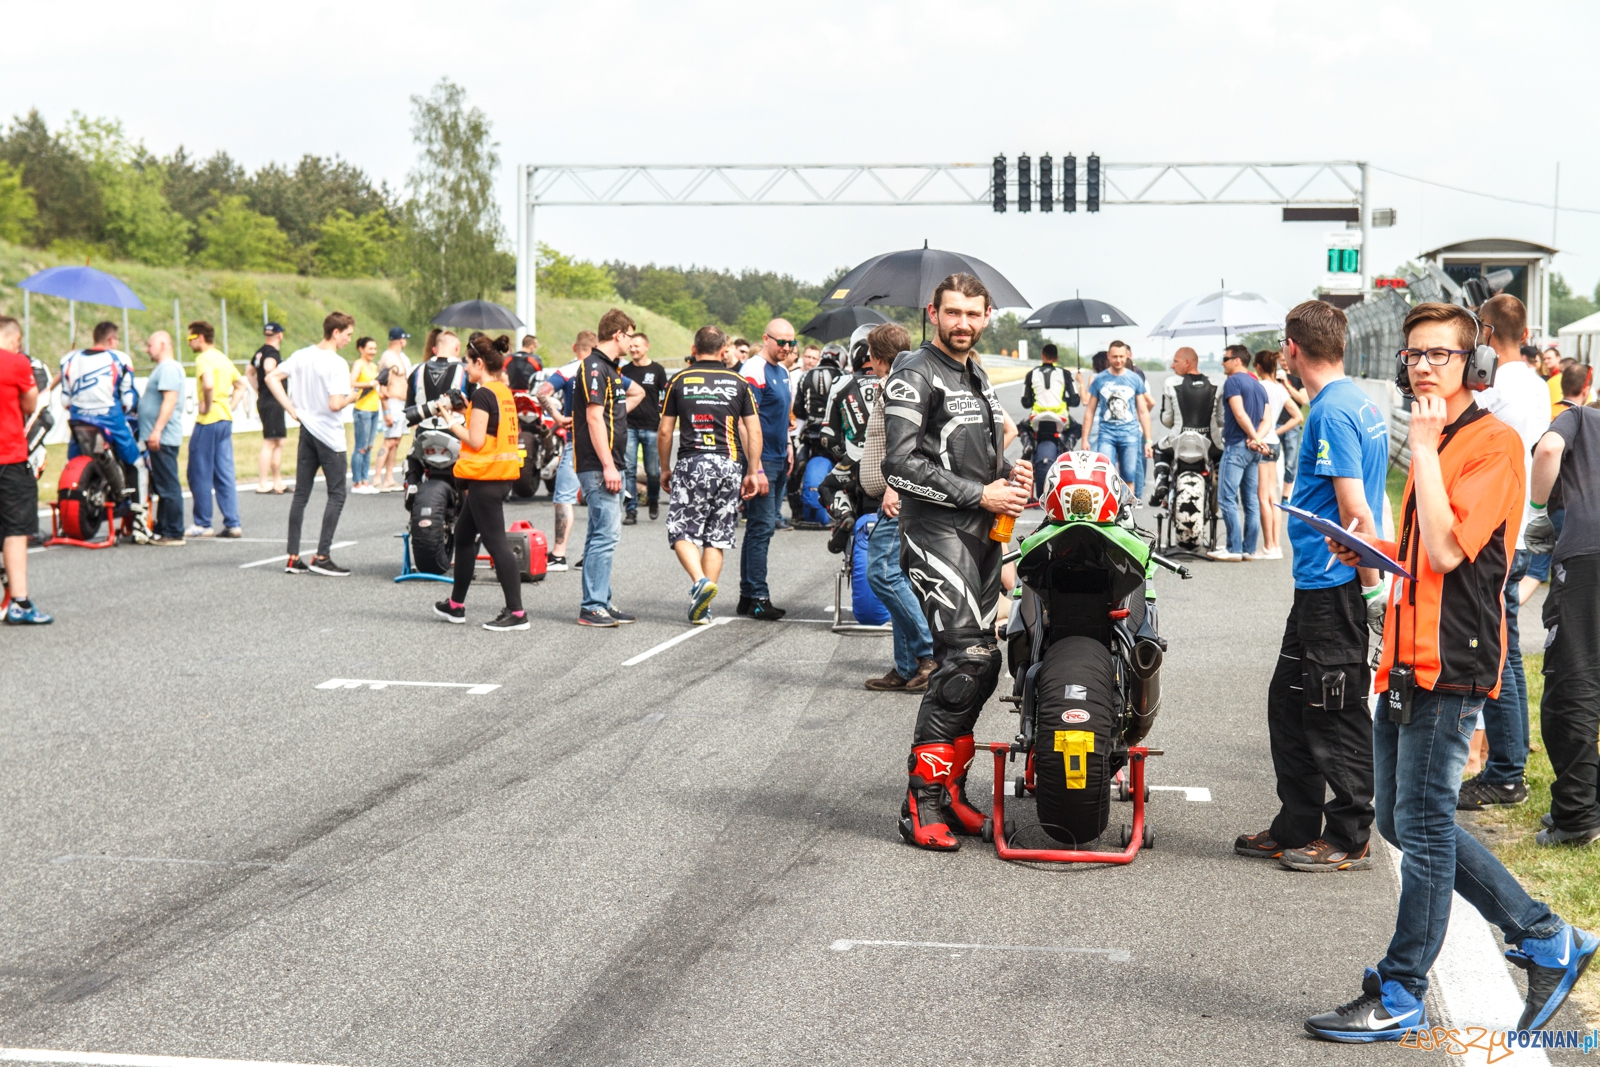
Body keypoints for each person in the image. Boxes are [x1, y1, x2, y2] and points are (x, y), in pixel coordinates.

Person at [1307, 301, 1595, 1042]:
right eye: (1413, 355)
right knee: (1395, 817)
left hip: (1452, 659)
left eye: (1438, 353)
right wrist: (1367, 544)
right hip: (1403, 656)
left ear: (1473, 363)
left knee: (1426, 821)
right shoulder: (1441, 441)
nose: (1423, 365)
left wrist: (1427, 449)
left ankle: (1402, 986)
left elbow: (1445, 550)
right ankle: (1544, 933)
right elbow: (1418, 557)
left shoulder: (1491, 443)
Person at [882, 273, 1032, 851]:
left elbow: (976, 458)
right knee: (964, 661)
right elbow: (898, 464)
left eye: (973, 313)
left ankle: (949, 793)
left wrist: (1008, 476)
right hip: (934, 533)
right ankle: (919, 805)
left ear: (988, 315)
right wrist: (981, 494)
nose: (963, 323)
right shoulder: (914, 370)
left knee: (982, 665)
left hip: (981, 536)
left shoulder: (977, 375)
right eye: (953, 313)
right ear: (933, 313)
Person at [1235, 300, 1386, 872]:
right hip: (1318, 586)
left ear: (1291, 349)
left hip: (1336, 585)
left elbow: (1355, 511)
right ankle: (1296, 823)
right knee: (1289, 703)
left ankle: (1348, 834)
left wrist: (1371, 593)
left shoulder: (1331, 413)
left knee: (1334, 709)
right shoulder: (1354, 400)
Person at [1455, 294, 1548, 812]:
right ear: (1526, 330)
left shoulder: (1494, 389)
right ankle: (1507, 765)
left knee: (1502, 654)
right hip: (1524, 527)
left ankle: (1507, 771)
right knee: (1505, 651)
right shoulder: (1535, 384)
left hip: (1496, 533)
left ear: (1485, 332)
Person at [1526, 397, 1600, 845]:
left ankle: (1576, 816)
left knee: (1573, 686)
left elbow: (1549, 449)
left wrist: (1538, 507)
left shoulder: (1579, 416)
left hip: (1588, 556)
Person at [658, 325, 763, 624]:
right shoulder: (739, 382)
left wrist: (664, 468)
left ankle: (699, 582)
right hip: (729, 463)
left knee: (681, 530)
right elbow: (753, 429)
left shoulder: (678, 380)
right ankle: (704, 607)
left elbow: (666, 430)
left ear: (693, 350)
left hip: (693, 462)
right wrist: (752, 470)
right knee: (716, 537)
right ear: (723, 351)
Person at [857, 322, 936, 692]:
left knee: (882, 575)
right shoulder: (890, 385)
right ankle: (906, 667)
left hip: (896, 499)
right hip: (893, 497)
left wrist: (892, 486)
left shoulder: (898, 387)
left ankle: (928, 654)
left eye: (869, 357)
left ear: (875, 356)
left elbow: (907, 444)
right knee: (898, 577)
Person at [433, 334, 529, 631]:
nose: (464, 366)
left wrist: (451, 420)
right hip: (498, 475)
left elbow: (474, 439)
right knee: (463, 536)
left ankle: (516, 613)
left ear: (479, 363)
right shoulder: (501, 391)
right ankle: (455, 605)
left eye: (467, 362)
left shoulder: (483, 394)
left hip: (486, 477)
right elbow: (489, 429)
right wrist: (466, 412)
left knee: (496, 543)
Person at [267, 312, 358, 577]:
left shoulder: (302, 355)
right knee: (337, 494)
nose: (349, 340)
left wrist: (291, 408)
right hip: (329, 435)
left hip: (306, 429)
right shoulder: (337, 363)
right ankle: (322, 555)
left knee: (301, 495)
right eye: (348, 335)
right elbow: (334, 403)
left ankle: (293, 556)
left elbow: (271, 378)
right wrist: (351, 397)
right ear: (336, 332)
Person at [573, 310, 645, 626]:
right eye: (630, 335)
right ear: (618, 334)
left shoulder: (611, 370)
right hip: (598, 465)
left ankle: (601, 599)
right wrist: (607, 466)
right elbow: (592, 417)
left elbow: (608, 411)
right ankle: (592, 606)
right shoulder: (594, 367)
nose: (632, 341)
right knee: (606, 535)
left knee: (599, 535)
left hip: (610, 463)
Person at [738, 319, 797, 620]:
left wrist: (788, 443)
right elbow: (745, 421)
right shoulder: (753, 370)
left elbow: (782, 414)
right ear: (765, 338)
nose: (787, 348)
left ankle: (747, 595)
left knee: (758, 530)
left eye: (791, 343)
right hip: (761, 461)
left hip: (777, 455)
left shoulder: (784, 371)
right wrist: (755, 466)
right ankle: (758, 596)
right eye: (781, 342)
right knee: (761, 529)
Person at [0, 315, 49, 624]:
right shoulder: (17, 363)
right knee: (16, 530)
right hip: (9, 458)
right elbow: (31, 405)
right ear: (15, 340)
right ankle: (19, 602)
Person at [535, 330, 597, 570]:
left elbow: (542, 392)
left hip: (578, 442)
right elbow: (637, 392)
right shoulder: (608, 371)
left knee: (564, 497)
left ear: (575, 347)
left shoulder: (569, 370)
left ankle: (559, 554)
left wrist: (558, 417)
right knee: (597, 499)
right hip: (606, 442)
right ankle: (591, 555)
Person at [1207, 345, 1269, 562]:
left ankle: (1233, 548)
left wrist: (1254, 437)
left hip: (1236, 445)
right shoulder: (1258, 385)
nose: (1222, 362)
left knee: (1227, 498)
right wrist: (1257, 439)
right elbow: (1267, 419)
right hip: (1253, 449)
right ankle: (1248, 549)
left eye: (1225, 358)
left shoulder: (1233, 381)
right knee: (1250, 500)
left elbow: (1239, 413)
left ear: (1237, 361)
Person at [184, 320, 244, 539]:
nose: (189, 342)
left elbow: (208, 384)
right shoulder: (222, 358)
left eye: (190, 338)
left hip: (208, 420)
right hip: (225, 419)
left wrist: (207, 405)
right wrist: (230, 405)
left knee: (199, 471)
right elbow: (241, 385)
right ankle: (232, 522)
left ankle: (202, 523)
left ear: (200, 337)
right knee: (224, 472)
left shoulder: (203, 359)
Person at [53, 320, 140, 471]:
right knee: (136, 463)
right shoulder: (119, 359)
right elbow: (128, 400)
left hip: (79, 421)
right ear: (111, 339)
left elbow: (65, 400)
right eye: (117, 339)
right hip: (111, 421)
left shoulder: (70, 359)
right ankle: (135, 494)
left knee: (71, 461)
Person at [1149, 346, 1220, 510]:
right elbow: (1221, 419)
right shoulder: (1216, 384)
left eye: (1175, 361)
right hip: (1209, 443)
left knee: (1158, 448)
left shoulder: (1171, 383)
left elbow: (1167, 419)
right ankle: (1217, 476)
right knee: (1221, 453)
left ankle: (1161, 480)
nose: (1172, 366)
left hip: (1178, 440)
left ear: (1187, 362)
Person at [1079, 340, 1151, 497]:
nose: (1118, 360)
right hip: (1107, 435)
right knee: (1105, 475)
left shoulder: (1134, 379)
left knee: (1129, 476)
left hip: (1130, 434)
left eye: (1121, 357)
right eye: (1115, 357)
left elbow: (1143, 411)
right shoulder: (1100, 379)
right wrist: (1085, 438)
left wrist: (1148, 440)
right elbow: (1089, 411)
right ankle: (1109, 512)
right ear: (1108, 357)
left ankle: (1127, 516)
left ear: (1127, 356)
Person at [137, 331, 186, 545]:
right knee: (162, 484)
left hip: (162, 437)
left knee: (168, 485)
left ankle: (174, 531)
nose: (147, 349)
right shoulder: (164, 368)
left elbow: (169, 400)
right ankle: (164, 527)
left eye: (150, 345)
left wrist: (156, 430)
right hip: (159, 437)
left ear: (163, 344)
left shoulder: (168, 368)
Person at [1252, 349, 1301, 560]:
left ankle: (1268, 546)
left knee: (1263, 497)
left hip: (1261, 442)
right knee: (1274, 495)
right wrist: (1277, 432)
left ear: (1258, 367)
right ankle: (1277, 546)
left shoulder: (1258, 387)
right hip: (1274, 444)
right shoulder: (1281, 389)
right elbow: (1297, 416)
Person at [790, 343, 843, 526]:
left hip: (811, 433)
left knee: (796, 469)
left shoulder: (805, 376)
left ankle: (796, 512)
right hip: (836, 434)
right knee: (848, 468)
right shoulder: (844, 377)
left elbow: (798, 409)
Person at [1020, 342, 1080, 494]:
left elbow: (1025, 402)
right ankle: (1068, 444)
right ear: (1057, 358)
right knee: (1077, 428)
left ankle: (1027, 444)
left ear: (1042, 356)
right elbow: (1075, 401)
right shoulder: (1065, 373)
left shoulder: (1031, 374)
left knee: (1020, 427)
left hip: (1037, 417)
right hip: (1060, 417)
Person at [620, 331, 667, 524]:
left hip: (651, 427)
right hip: (629, 425)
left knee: (653, 472)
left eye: (636, 346)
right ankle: (631, 510)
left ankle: (654, 499)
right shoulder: (625, 371)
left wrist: (665, 419)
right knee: (629, 470)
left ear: (646, 347)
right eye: (631, 346)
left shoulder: (657, 370)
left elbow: (664, 397)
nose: (633, 349)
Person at [248, 323, 288, 494]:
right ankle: (263, 482)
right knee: (271, 441)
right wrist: (280, 374)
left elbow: (249, 371)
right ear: (279, 335)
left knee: (278, 440)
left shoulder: (260, 351)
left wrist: (258, 388)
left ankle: (277, 481)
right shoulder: (272, 353)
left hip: (268, 399)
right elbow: (268, 368)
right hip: (272, 400)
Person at [374, 328, 411, 492]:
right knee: (389, 441)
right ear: (400, 340)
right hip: (392, 403)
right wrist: (386, 410)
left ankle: (389, 477)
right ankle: (376, 478)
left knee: (396, 441)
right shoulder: (388, 358)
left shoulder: (401, 357)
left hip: (401, 403)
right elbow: (381, 385)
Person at [348, 336, 382, 494]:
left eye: (374, 349)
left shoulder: (373, 366)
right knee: (361, 446)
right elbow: (352, 382)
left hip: (374, 409)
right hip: (362, 409)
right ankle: (357, 482)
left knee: (369, 447)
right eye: (370, 348)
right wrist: (369, 384)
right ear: (361, 349)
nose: (373, 352)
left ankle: (365, 481)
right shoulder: (359, 364)